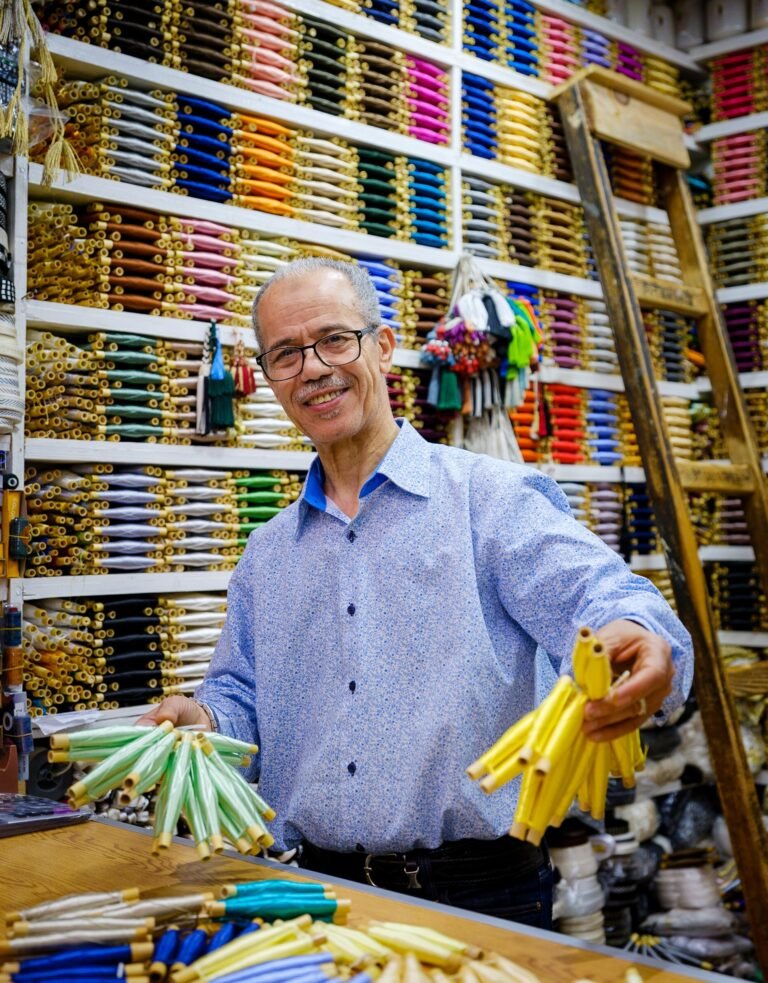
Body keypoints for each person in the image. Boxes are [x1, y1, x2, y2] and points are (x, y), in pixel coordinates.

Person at [138, 257, 693, 927]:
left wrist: (642, 642)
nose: (313, 367)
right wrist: (205, 721)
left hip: (479, 896)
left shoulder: (487, 502)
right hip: (313, 899)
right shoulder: (269, 554)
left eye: (335, 339)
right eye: (286, 353)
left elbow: (606, 598)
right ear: (270, 378)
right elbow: (241, 698)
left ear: (385, 347)